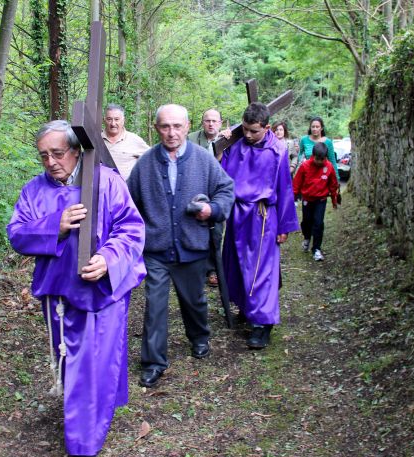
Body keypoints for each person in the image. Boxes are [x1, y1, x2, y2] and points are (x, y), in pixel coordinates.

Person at [7, 120, 146, 457]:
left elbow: (131, 229)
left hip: (102, 293)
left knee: (91, 364)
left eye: (57, 153)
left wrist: (109, 258)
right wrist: (57, 223)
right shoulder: (33, 191)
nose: (51, 161)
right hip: (58, 295)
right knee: (75, 365)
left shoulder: (106, 182)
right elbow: (17, 233)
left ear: (75, 150)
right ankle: (90, 414)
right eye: (44, 156)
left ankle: (82, 446)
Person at [127, 104, 234, 388]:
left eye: (177, 126)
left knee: (194, 300)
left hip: (192, 245)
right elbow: (128, 203)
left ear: (187, 127)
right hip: (157, 250)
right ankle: (153, 362)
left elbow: (226, 189)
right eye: (165, 126)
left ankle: (199, 337)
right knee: (155, 306)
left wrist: (212, 210)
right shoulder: (145, 164)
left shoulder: (203, 159)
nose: (171, 132)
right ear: (156, 128)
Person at [220, 102, 300, 349]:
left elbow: (284, 188)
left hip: (262, 217)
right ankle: (246, 308)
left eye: (254, 131)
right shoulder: (236, 145)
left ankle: (262, 325)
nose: (248, 135)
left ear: (267, 128)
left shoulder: (277, 151)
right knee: (236, 264)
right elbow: (220, 173)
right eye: (244, 129)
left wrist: (284, 226)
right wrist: (222, 144)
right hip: (237, 214)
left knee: (260, 271)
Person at [188, 108, 225, 288]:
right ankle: (194, 268)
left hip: (217, 193)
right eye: (207, 120)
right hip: (194, 190)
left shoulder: (228, 139)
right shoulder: (192, 138)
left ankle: (212, 269)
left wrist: (224, 141)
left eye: (214, 121)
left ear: (220, 123)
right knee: (194, 229)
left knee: (216, 233)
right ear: (202, 122)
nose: (210, 124)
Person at [292, 141, 339, 262]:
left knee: (318, 223)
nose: (319, 162)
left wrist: (334, 199)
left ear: (325, 157)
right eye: (317, 159)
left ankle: (316, 249)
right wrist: (294, 197)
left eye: (322, 159)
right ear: (313, 156)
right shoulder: (305, 166)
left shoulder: (328, 167)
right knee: (306, 222)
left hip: (321, 200)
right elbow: (296, 183)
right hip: (307, 199)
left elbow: (333, 185)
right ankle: (307, 238)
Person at [101, 103, 150, 181]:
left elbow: (151, 159)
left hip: (127, 191)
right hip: (100, 190)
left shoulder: (134, 140)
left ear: (123, 120)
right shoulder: (97, 140)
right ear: (104, 120)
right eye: (109, 119)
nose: (113, 123)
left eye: (117, 119)